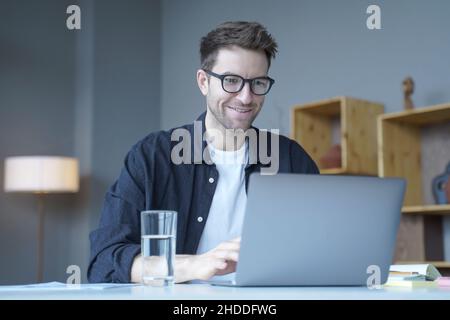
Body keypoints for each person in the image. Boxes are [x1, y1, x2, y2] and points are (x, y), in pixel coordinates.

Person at [88, 21, 319, 284]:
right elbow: (104, 262)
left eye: (258, 83)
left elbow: (320, 250)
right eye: (231, 81)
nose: (246, 97)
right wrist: (194, 265)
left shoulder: (292, 159)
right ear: (203, 82)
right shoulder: (152, 156)